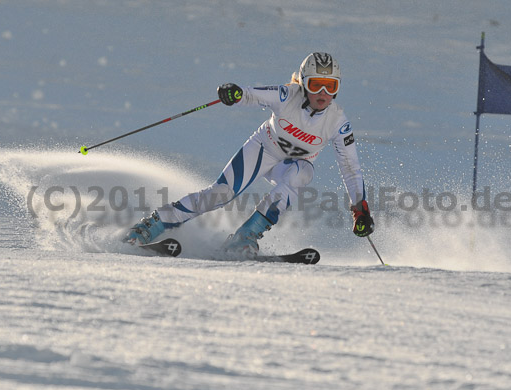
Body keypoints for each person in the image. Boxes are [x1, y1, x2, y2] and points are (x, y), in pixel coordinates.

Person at [124, 52, 374, 256]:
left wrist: (359, 208)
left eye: (330, 87)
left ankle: (245, 237)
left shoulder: (337, 122)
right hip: (263, 149)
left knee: (304, 172)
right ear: (303, 83)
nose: (323, 94)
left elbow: (350, 167)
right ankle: (150, 227)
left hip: (290, 166)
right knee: (220, 195)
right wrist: (235, 94)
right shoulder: (288, 95)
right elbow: (253, 95)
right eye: (316, 85)